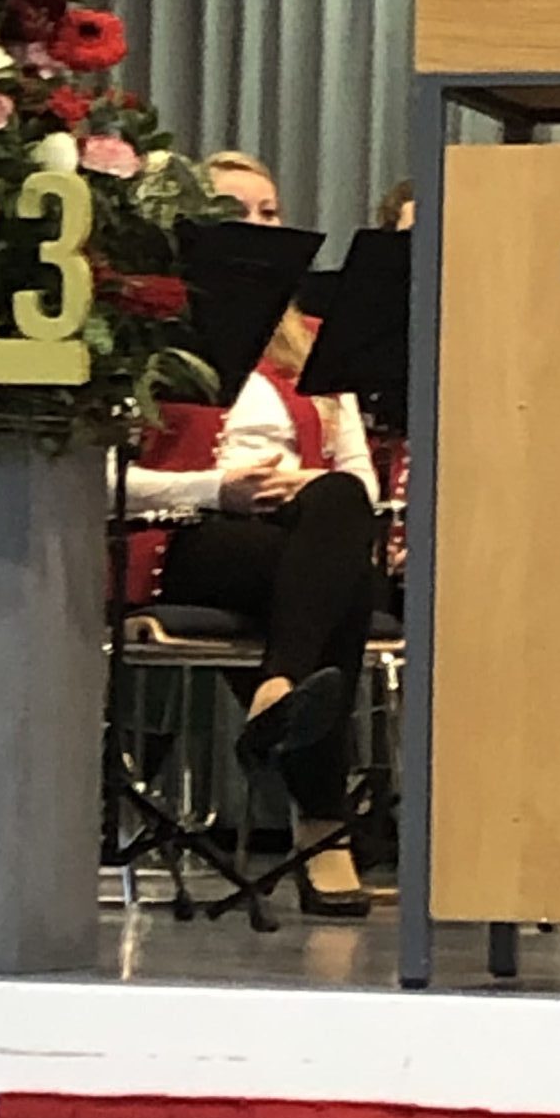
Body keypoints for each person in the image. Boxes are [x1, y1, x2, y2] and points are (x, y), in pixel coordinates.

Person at [130, 149, 381, 918]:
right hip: (186, 534)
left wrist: (300, 482)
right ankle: (323, 827)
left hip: (299, 531)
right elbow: (104, 480)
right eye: (238, 213)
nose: (261, 227)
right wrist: (217, 488)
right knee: (341, 583)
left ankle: (278, 691)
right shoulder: (150, 333)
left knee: (338, 509)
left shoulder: (314, 341)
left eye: (270, 212)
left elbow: (362, 481)